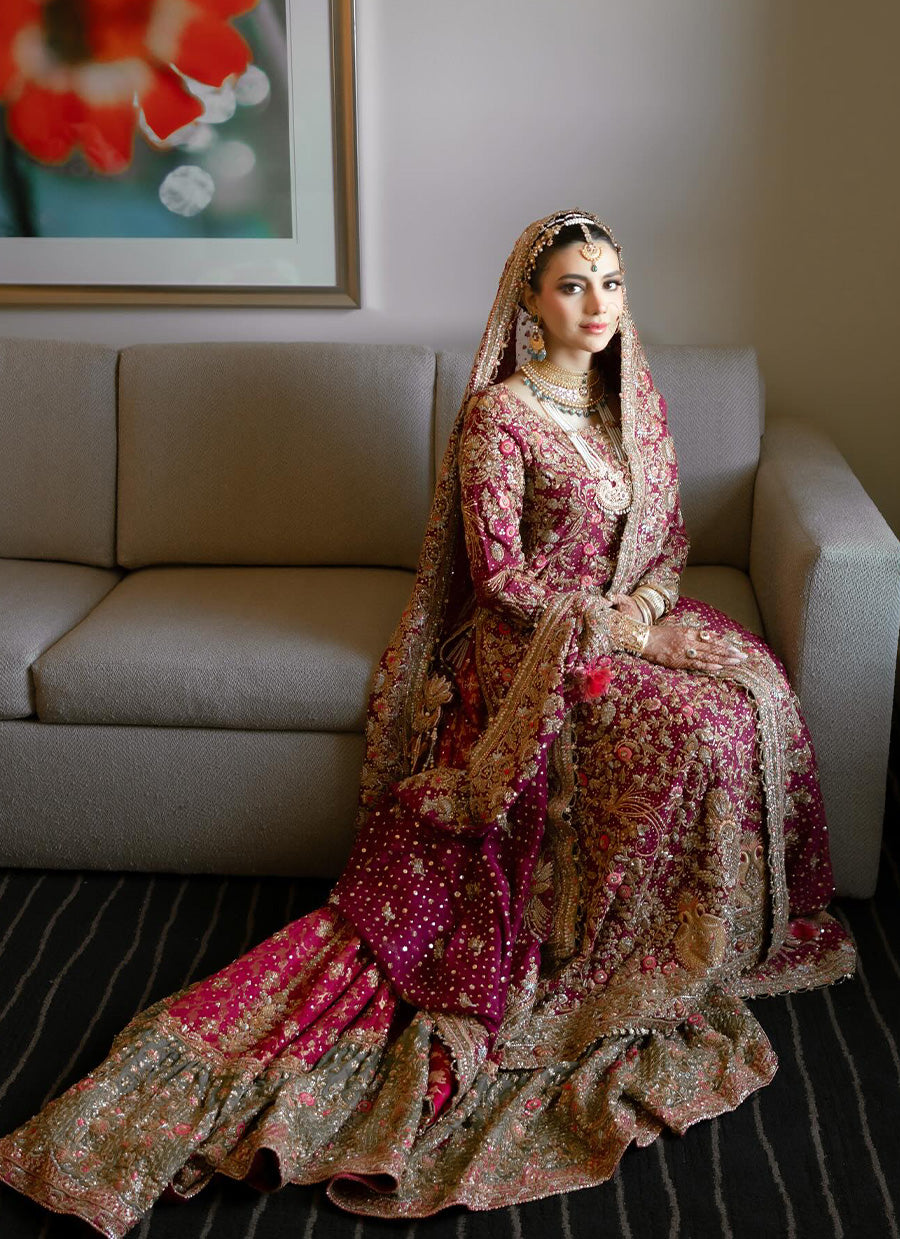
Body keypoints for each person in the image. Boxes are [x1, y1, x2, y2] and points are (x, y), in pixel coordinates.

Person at [0, 209, 855, 1234]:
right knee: (693, 728)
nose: (599, 305)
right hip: (533, 646)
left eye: (613, 283)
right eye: (574, 285)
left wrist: (646, 611)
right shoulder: (502, 416)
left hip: (621, 621)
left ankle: (697, 935)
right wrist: (611, 631)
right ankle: (615, 954)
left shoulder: (629, 400)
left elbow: (666, 540)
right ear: (530, 301)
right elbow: (500, 580)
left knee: (751, 691)